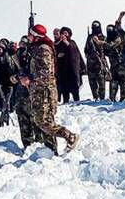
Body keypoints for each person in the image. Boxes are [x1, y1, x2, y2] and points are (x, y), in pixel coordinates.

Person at [26, 24, 79, 153]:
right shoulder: (36, 48)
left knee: (43, 121)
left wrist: (30, 80)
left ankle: (70, 136)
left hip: (44, 91)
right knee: (44, 120)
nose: (28, 37)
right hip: (39, 89)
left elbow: (46, 72)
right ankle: (50, 150)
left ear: (36, 36)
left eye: (30, 35)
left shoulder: (43, 49)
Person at [55, 28, 85, 103]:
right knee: (64, 90)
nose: (64, 35)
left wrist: (66, 43)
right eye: (63, 33)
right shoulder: (58, 44)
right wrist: (58, 56)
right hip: (63, 70)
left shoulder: (72, 43)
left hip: (72, 70)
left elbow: (76, 53)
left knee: (74, 89)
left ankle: (77, 102)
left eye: (66, 33)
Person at [84, 22, 108, 100]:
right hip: (91, 63)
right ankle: (95, 97)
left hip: (100, 62)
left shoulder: (103, 37)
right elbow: (86, 49)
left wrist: (98, 43)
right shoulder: (89, 38)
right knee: (92, 82)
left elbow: (106, 49)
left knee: (101, 82)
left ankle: (102, 98)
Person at [104, 22, 125, 101]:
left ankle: (123, 98)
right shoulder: (108, 40)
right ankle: (112, 98)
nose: (109, 31)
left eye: (111, 29)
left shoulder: (118, 38)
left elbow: (112, 46)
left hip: (121, 64)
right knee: (113, 81)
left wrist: (102, 43)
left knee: (122, 81)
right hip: (113, 64)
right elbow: (106, 51)